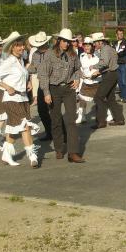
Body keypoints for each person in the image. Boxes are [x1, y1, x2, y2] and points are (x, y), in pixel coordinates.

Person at [0, 32, 40, 167]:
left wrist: (28, 83)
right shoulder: (8, 62)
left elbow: (21, 75)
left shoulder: (20, 61)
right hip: (11, 99)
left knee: (14, 128)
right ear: (12, 47)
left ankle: (6, 154)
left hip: (23, 98)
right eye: (18, 46)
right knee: (25, 126)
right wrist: (7, 87)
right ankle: (33, 155)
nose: (22, 48)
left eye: (22, 45)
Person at [38, 28, 85, 163]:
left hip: (69, 89)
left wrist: (77, 78)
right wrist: (46, 92)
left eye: (69, 41)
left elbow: (77, 69)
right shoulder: (49, 54)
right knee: (56, 119)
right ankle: (59, 148)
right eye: (64, 41)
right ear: (59, 40)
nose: (66, 44)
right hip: (54, 89)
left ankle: (73, 152)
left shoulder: (73, 54)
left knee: (71, 119)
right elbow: (43, 74)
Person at [90, 32, 125, 128]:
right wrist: (99, 72)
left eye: (95, 43)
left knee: (98, 97)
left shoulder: (105, 50)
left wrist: (94, 66)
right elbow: (110, 63)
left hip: (109, 75)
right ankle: (119, 119)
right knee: (111, 98)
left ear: (100, 42)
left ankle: (101, 122)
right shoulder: (110, 48)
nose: (94, 44)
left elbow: (104, 63)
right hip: (114, 74)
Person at [26, 31, 53, 140]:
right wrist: (29, 67)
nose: (40, 46)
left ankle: (60, 134)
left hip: (52, 84)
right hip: (41, 84)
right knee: (42, 110)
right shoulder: (36, 54)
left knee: (54, 111)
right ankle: (49, 132)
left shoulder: (52, 53)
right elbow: (33, 69)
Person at [76, 37, 100, 123]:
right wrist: (80, 73)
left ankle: (105, 115)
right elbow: (78, 67)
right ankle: (81, 116)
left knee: (100, 99)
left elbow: (103, 66)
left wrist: (98, 72)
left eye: (88, 45)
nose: (86, 47)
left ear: (92, 46)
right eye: (85, 45)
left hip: (97, 81)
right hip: (85, 81)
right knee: (82, 99)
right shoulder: (81, 56)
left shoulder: (98, 55)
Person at [113, 28, 126, 103]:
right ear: (116, 34)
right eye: (119, 34)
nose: (120, 35)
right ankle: (122, 95)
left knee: (124, 81)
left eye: (122, 34)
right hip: (116, 64)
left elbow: (122, 52)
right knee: (119, 81)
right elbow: (112, 51)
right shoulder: (115, 43)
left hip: (123, 63)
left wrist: (115, 53)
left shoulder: (125, 42)